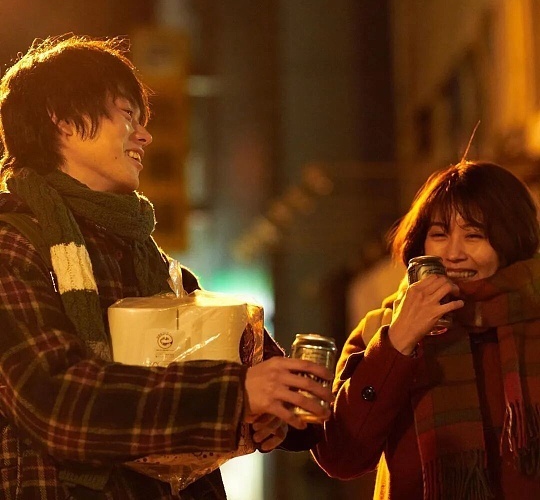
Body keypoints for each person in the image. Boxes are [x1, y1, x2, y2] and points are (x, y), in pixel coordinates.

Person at [0, 35, 333, 499]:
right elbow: (56, 403)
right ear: (62, 119)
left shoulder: (157, 265)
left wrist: (269, 416)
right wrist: (234, 395)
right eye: (126, 113)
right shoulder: (13, 245)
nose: (145, 135)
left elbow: (263, 372)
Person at [312, 160, 540, 499]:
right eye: (439, 235)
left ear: (511, 241)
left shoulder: (533, 319)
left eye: (474, 235)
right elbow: (340, 457)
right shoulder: (381, 327)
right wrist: (397, 343)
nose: (453, 254)